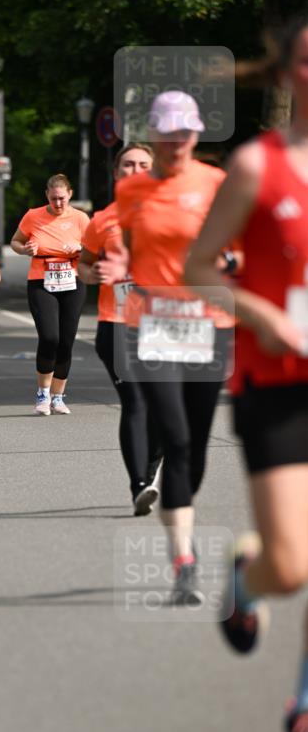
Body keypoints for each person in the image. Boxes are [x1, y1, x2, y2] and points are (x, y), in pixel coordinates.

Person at [185, 15, 308, 732]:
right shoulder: (259, 166)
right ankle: (246, 579)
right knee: (291, 565)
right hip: (277, 381)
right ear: (289, 72)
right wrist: (259, 313)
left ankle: (304, 701)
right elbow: (200, 267)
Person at [115, 90, 235, 604]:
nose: (177, 141)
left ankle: (182, 514)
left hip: (210, 324)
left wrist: (229, 265)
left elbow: (242, 248)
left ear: (196, 133)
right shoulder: (133, 191)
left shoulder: (217, 183)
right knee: (177, 436)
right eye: (167, 132)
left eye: (185, 132)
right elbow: (116, 245)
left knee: (196, 451)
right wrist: (114, 268)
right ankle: (184, 561)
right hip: (155, 326)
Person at [78, 143, 163, 515]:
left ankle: (149, 469)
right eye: (128, 164)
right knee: (136, 403)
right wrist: (91, 273)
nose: (135, 170)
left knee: (165, 408)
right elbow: (83, 264)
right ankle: (139, 485)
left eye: (144, 164)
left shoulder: (175, 214)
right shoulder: (103, 220)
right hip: (118, 324)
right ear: (117, 174)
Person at [10, 174, 89, 415]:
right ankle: (42, 393)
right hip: (42, 281)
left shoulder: (80, 218)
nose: (58, 203)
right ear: (47, 195)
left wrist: (81, 248)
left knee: (66, 340)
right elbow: (15, 241)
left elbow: (97, 248)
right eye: (53, 198)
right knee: (50, 337)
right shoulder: (33, 216)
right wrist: (25, 249)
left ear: (70, 195)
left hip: (72, 280)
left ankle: (58, 396)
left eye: (62, 199)